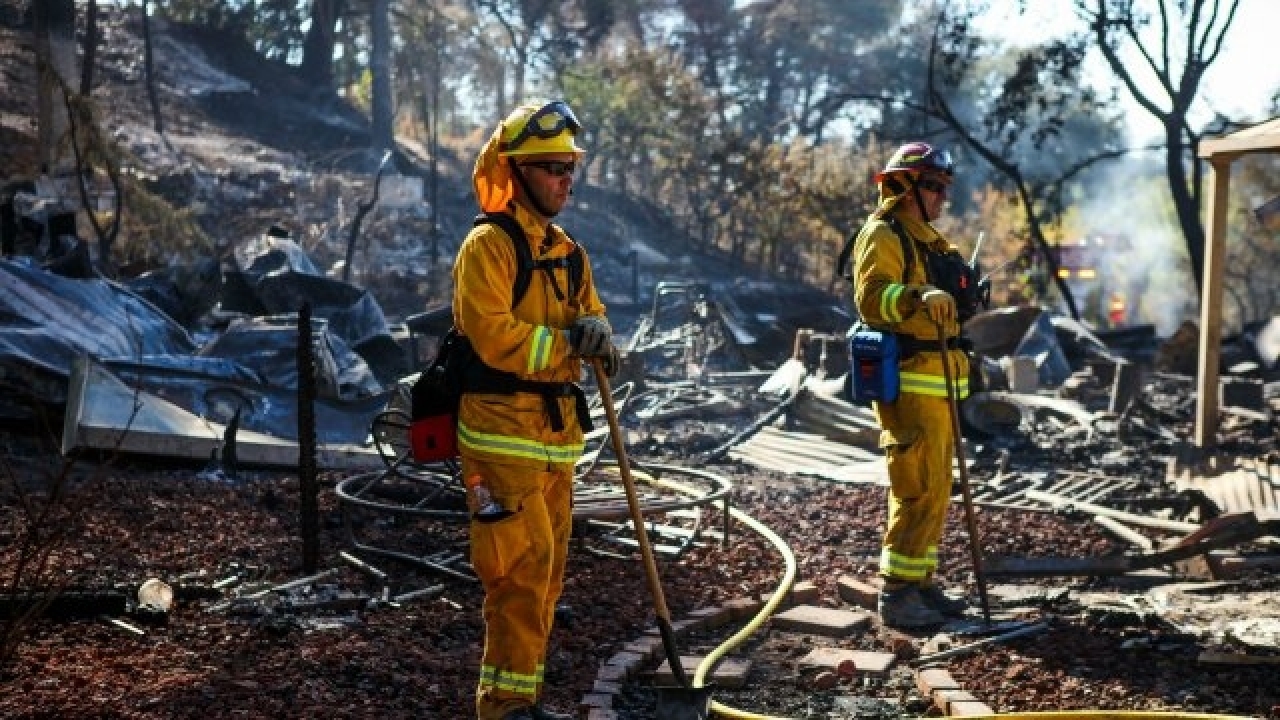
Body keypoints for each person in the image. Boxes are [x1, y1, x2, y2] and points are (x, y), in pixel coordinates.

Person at [455, 98, 619, 720]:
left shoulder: (567, 250)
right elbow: (492, 334)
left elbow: (591, 310)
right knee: (517, 581)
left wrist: (601, 334)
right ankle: (502, 709)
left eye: (570, 168)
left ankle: (520, 701)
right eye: (552, 167)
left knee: (545, 580)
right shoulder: (488, 247)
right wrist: (567, 343)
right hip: (501, 438)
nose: (565, 180)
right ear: (516, 171)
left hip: (554, 442)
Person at [849, 141, 972, 628]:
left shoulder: (932, 242)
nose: (943, 198)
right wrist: (921, 295)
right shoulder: (884, 233)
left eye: (945, 189)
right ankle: (897, 593)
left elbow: (951, 300)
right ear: (905, 186)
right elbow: (871, 298)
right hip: (910, 381)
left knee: (939, 485)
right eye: (935, 188)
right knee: (915, 486)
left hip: (940, 384)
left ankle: (921, 581)